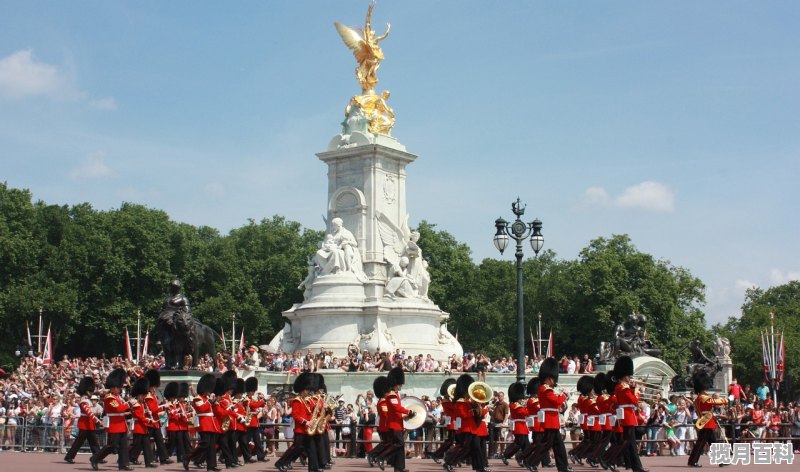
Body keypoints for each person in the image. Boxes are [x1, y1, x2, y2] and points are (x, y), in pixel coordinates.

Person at [524, 357, 571, 472]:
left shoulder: (547, 389)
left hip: (552, 420)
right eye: (553, 379)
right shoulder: (545, 389)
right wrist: (565, 394)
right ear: (549, 378)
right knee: (546, 445)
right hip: (550, 421)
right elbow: (557, 401)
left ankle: (563, 467)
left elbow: (556, 405)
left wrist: (563, 396)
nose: (554, 381)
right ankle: (531, 462)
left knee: (559, 446)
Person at [611, 356, 648, 472]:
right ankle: (635, 467)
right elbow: (634, 401)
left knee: (628, 444)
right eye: (628, 376)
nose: (629, 378)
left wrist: (632, 389)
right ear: (624, 376)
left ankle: (631, 465)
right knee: (630, 444)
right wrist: (636, 391)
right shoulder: (623, 388)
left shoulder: (620, 387)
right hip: (628, 417)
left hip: (627, 416)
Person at [90, 368, 132, 471]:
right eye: (118, 387)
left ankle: (124, 464)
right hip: (114, 425)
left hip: (121, 424)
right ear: (113, 387)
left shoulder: (117, 397)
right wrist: (129, 403)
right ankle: (95, 459)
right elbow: (119, 409)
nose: (119, 389)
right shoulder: (109, 398)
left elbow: (122, 409)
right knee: (112, 446)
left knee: (123, 446)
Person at [375, 366, 413, 472]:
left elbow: (396, 410)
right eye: (400, 384)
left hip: (397, 423)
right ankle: (381, 457)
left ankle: (399, 467)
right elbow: (397, 408)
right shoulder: (392, 395)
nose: (401, 386)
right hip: (394, 425)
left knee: (400, 446)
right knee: (399, 444)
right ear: (396, 384)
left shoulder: (395, 395)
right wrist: (408, 411)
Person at [688, 371, 729, 467]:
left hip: (705, 421)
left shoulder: (699, 398)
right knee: (701, 443)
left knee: (713, 442)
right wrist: (726, 400)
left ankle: (721, 460)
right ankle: (693, 461)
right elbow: (715, 401)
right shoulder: (703, 397)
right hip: (706, 422)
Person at [186, 373, 221, 472]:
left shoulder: (206, 399)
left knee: (211, 447)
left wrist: (213, 402)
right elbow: (201, 409)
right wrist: (210, 401)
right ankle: (188, 456)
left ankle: (211, 466)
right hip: (204, 424)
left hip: (211, 424)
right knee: (205, 444)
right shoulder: (198, 398)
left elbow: (210, 410)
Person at [64, 376, 102, 464]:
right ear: (87, 391)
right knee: (79, 442)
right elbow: (89, 413)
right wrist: (97, 421)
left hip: (89, 424)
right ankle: (69, 456)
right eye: (90, 391)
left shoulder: (87, 399)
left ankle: (98, 457)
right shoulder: (84, 400)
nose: (91, 393)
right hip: (85, 424)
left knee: (94, 443)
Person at [128, 377, 158, 468]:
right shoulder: (136, 404)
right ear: (139, 395)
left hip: (143, 428)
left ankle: (149, 462)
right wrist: (149, 420)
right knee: (136, 446)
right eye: (143, 395)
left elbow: (142, 414)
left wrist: (147, 412)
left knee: (146, 444)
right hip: (138, 427)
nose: (145, 397)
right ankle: (128, 457)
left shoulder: (141, 404)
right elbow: (139, 417)